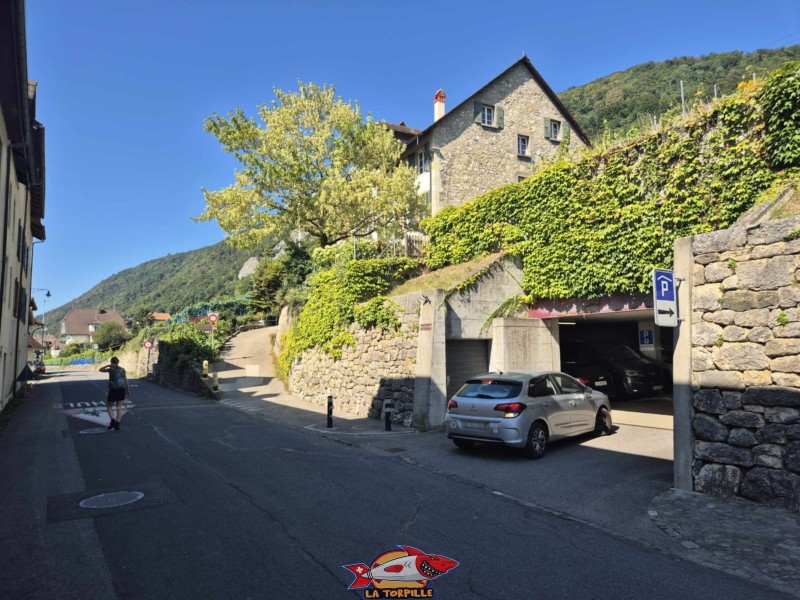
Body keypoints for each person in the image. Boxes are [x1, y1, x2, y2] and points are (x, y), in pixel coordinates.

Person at [99, 357, 131, 430]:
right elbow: (126, 379)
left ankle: (112, 419)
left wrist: (107, 366)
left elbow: (100, 370)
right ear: (118, 362)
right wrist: (128, 389)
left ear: (111, 362)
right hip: (122, 390)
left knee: (109, 406)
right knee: (119, 407)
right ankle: (117, 424)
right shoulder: (123, 369)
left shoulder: (110, 369)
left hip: (113, 390)